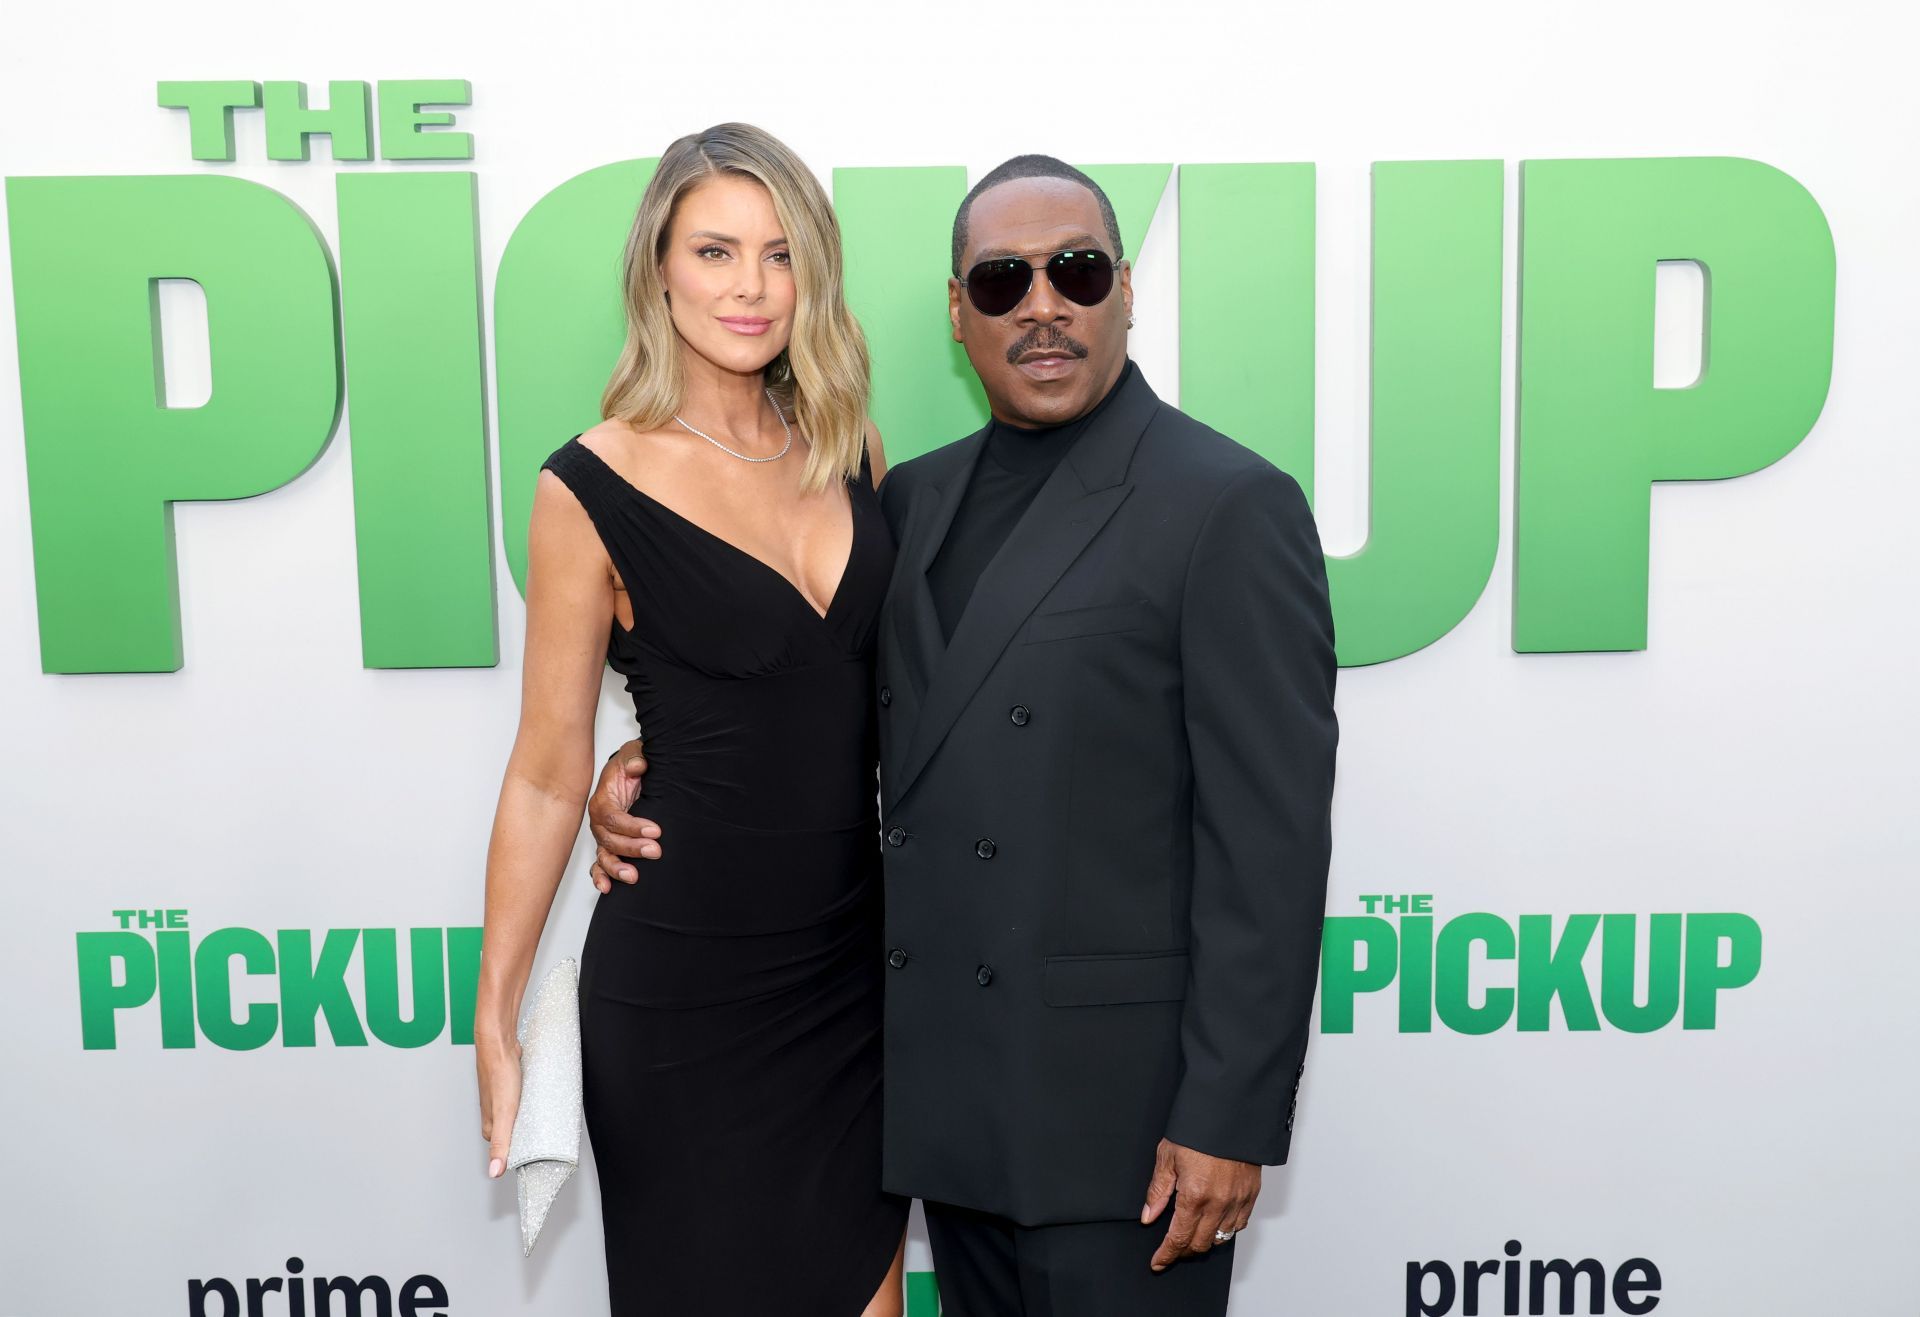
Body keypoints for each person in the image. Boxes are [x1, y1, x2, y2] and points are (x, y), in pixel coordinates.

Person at [589, 154, 1339, 1315]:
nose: (1042, 305)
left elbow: (1271, 844)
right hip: (947, 1120)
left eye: (1075, 273)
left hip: (1126, 1139)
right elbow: (810, 706)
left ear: (1125, 290)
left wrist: (1227, 1117)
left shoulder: (1225, 503)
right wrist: (647, 767)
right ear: (958, 311)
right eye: (1001, 283)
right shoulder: (905, 502)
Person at [473, 123, 908, 1317]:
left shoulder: (852, 449)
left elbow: (865, 696)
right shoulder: (589, 483)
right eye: (715, 251)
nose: (751, 288)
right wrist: (496, 1012)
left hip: (851, 981)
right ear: (659, 268)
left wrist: (649, 753)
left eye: (779, 254)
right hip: (683, 997)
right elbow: (550, 772)